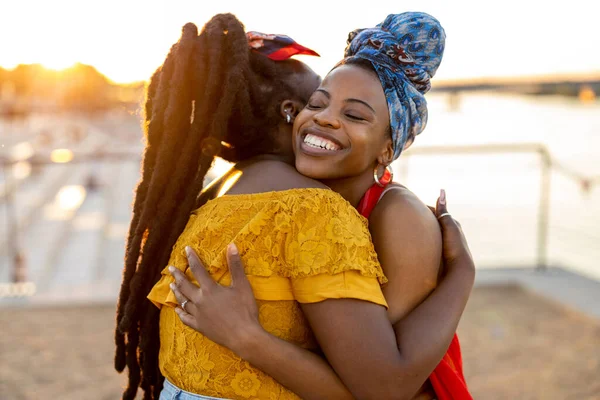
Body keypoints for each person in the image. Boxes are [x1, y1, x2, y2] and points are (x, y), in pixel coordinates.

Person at [115, 12, 473, 400]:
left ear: (389, 148)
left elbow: (387, 384)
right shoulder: (311, 207)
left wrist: (463, 272)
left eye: (353, 115)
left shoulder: (396, 214)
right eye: (316, 103)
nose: (325, 119)